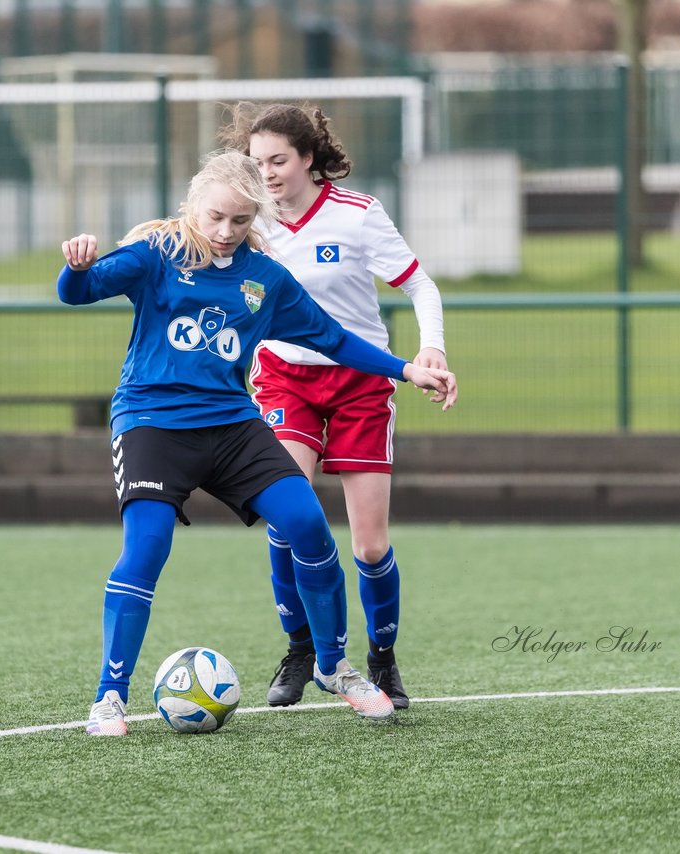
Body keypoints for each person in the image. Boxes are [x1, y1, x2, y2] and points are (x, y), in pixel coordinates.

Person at [59, 150, 456, 737]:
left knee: (308, 524)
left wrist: (405, 367)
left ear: (256, 219)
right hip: (151, 423)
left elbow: (333, 339)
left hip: (230, 424)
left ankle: (334, 665)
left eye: (241, 221)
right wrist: (76, 263)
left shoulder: (264, 279)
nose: (225, 232)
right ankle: (109, 698)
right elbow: (78, 291)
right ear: (193, 205)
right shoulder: (155, 254)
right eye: (215, 217)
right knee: (147, 548)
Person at [219, 103, 450, 710]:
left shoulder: (358, 215)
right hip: (283, 380)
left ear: (308, 159)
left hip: (360, 382)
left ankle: (383, 659)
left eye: (278, 161)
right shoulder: (250, 221)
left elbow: (419, 285)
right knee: (288, 516)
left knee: (370, 545)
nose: (266, 173)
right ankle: (301, 649)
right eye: (257, 161)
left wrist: (431, 351)